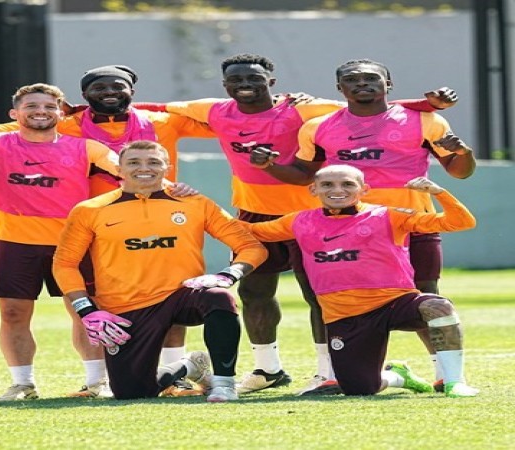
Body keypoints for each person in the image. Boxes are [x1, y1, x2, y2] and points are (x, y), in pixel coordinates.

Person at [0, 65, 215, 397]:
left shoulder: (85, 143)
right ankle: (23, 384)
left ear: (60, 111)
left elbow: (126, 167)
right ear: (15, 113)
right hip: (13, 242)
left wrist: (171, 188)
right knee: (13, 314)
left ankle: (97, 382)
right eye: (32, 106)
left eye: (49, 106)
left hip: (76, 241)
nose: (41, 111)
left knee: (88, 312)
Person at [137, 53, 458, 395]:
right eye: (236, 79)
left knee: (321, 295)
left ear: (271, 82)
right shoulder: (214, 110)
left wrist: (427, 105)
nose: (245, 84)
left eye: (254, 78)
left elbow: (366, 105)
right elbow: (155, 107)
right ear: (225, 84)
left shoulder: (303, 109)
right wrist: (94, 112)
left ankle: (327, 372)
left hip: (310, 215)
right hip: (254, 212)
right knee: (254, 292)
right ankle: (267, 369)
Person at [251, 58, 476, 392]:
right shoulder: (318, 127)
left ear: (389, 85)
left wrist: (465, 153)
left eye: (371, 78)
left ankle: (446, 374)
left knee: (426, 293)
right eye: (352, 80)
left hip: (410, 221)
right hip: (345, 227)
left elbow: (460, 171)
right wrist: (268, 166)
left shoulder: (426, 120)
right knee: (326, 297)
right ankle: (329, 372)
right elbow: (303, 175)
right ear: (339, 88)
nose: (362, 84)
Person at [52, 140, 267, 402]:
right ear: (118, 169)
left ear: (168, 167)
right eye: (134, 162)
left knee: (218, 298)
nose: (144, 168)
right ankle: (189, 366)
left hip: (182, 295)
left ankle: (224, 384)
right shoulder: (89, 210)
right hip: (126, 307)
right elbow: (64, 263)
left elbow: (251, 247)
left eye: (153, 162)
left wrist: (228, 275)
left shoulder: (195, 202)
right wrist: (87, 310)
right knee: (131, 393)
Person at [246, 165, 478, 397]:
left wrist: (439, 193)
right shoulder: (299, 221)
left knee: (437, 306)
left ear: (364, 189)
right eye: (327, 185)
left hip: (394, 303)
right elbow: (248, 230)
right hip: (344, 316)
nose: (338, 190)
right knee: (360, 388)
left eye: (347, 184)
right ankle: (398, 376)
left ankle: (454, 382)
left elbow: (460, 222)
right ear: (313, 190)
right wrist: (220, 217)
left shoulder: (389, 215)